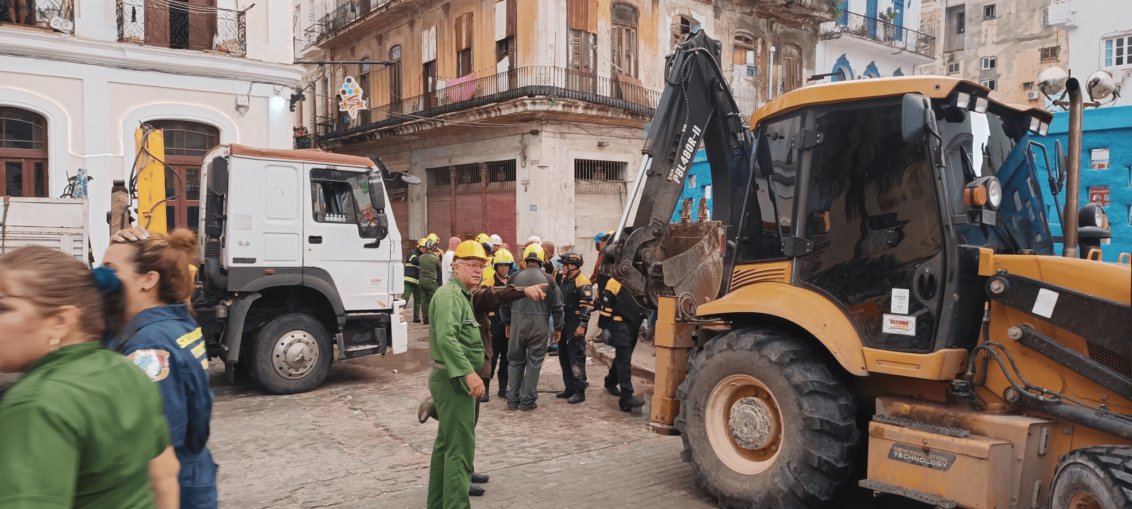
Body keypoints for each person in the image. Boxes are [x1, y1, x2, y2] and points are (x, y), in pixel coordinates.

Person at [0, 246, 180, 509]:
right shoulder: (127, 369)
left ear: (61, 320)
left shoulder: (37, 403)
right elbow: (165, 474)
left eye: (4, 307)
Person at [103, 227, 219, 509]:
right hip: (191, 472)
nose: (101, 281)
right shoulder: (176, 321)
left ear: (148, 280)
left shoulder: (148, 349)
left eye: (109, 271)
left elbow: (156, 445)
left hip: (171, 485)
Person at [426, 240, 490, 509]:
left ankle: (439, 504)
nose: (478, 271)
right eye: (472, 265)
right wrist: (469, 374)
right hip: (455, 381)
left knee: (446, 446)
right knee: (460, 451)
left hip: (451, 379)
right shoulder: (450, 296)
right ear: (456, 266)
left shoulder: (461, 294)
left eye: (482, 266)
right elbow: (446, 339)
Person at [501, 243, 563, 411]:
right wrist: (557, 327)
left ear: (525, 259)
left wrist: (507, 323)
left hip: (517, 326)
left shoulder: (513, 277)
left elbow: (504, 302)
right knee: (534, 362)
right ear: (542, 260)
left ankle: (512, 400)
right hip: (539, 327)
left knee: (515, 362)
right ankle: (527, 400)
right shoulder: (549, 279)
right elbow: (557, 307)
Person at [597, 277, 648, 412]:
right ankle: (626, 398)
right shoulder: (614, 282)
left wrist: (644, 319)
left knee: (622, 358)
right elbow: (606, 304)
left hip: (634, 325)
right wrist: (605, 327)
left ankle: (610, 381)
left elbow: (645, 302)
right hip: (620, 324)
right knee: (625, 359)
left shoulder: (639, 281)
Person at [555, 251, 593, 404]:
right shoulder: (565, 279)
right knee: (564, 357)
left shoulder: (582, 281)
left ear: (572, 265)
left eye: (564, 264)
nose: (561, 267)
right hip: (564, 323)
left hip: (575, 323)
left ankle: (579, 390)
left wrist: (582, 325)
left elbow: (587, 306)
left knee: (576, 358)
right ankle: (569, 387)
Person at [482, 248, 516, 402]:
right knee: (491, 357)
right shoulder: (487, 283)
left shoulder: (512, 282)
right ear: (495, 266)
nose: (504, 268)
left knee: (507, 357)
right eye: (501, 265)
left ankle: (503, 388)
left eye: (507, 265)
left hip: (509, 325)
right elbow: (481, 306)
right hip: (493, 324)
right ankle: (485, 389)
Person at [419, 239, 443, 325]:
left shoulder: (421, 257)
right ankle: (434, 318)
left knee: (424, 300)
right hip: (431, 282)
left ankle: (425, 319)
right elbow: (440, 269)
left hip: (421, 281)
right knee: (434, 299)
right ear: (433, 248)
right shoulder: (435, 258)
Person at [405, 239, 424, 323]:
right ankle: (399, 315)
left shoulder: (423, 255)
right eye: (423, 247)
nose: (424, 249)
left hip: (418, 281)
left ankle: (416, 317)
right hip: (409, 281)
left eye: (425, 247)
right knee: (405, 298)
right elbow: (415, 261)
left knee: (418, 300)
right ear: (419, 246)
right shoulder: (412, 253)